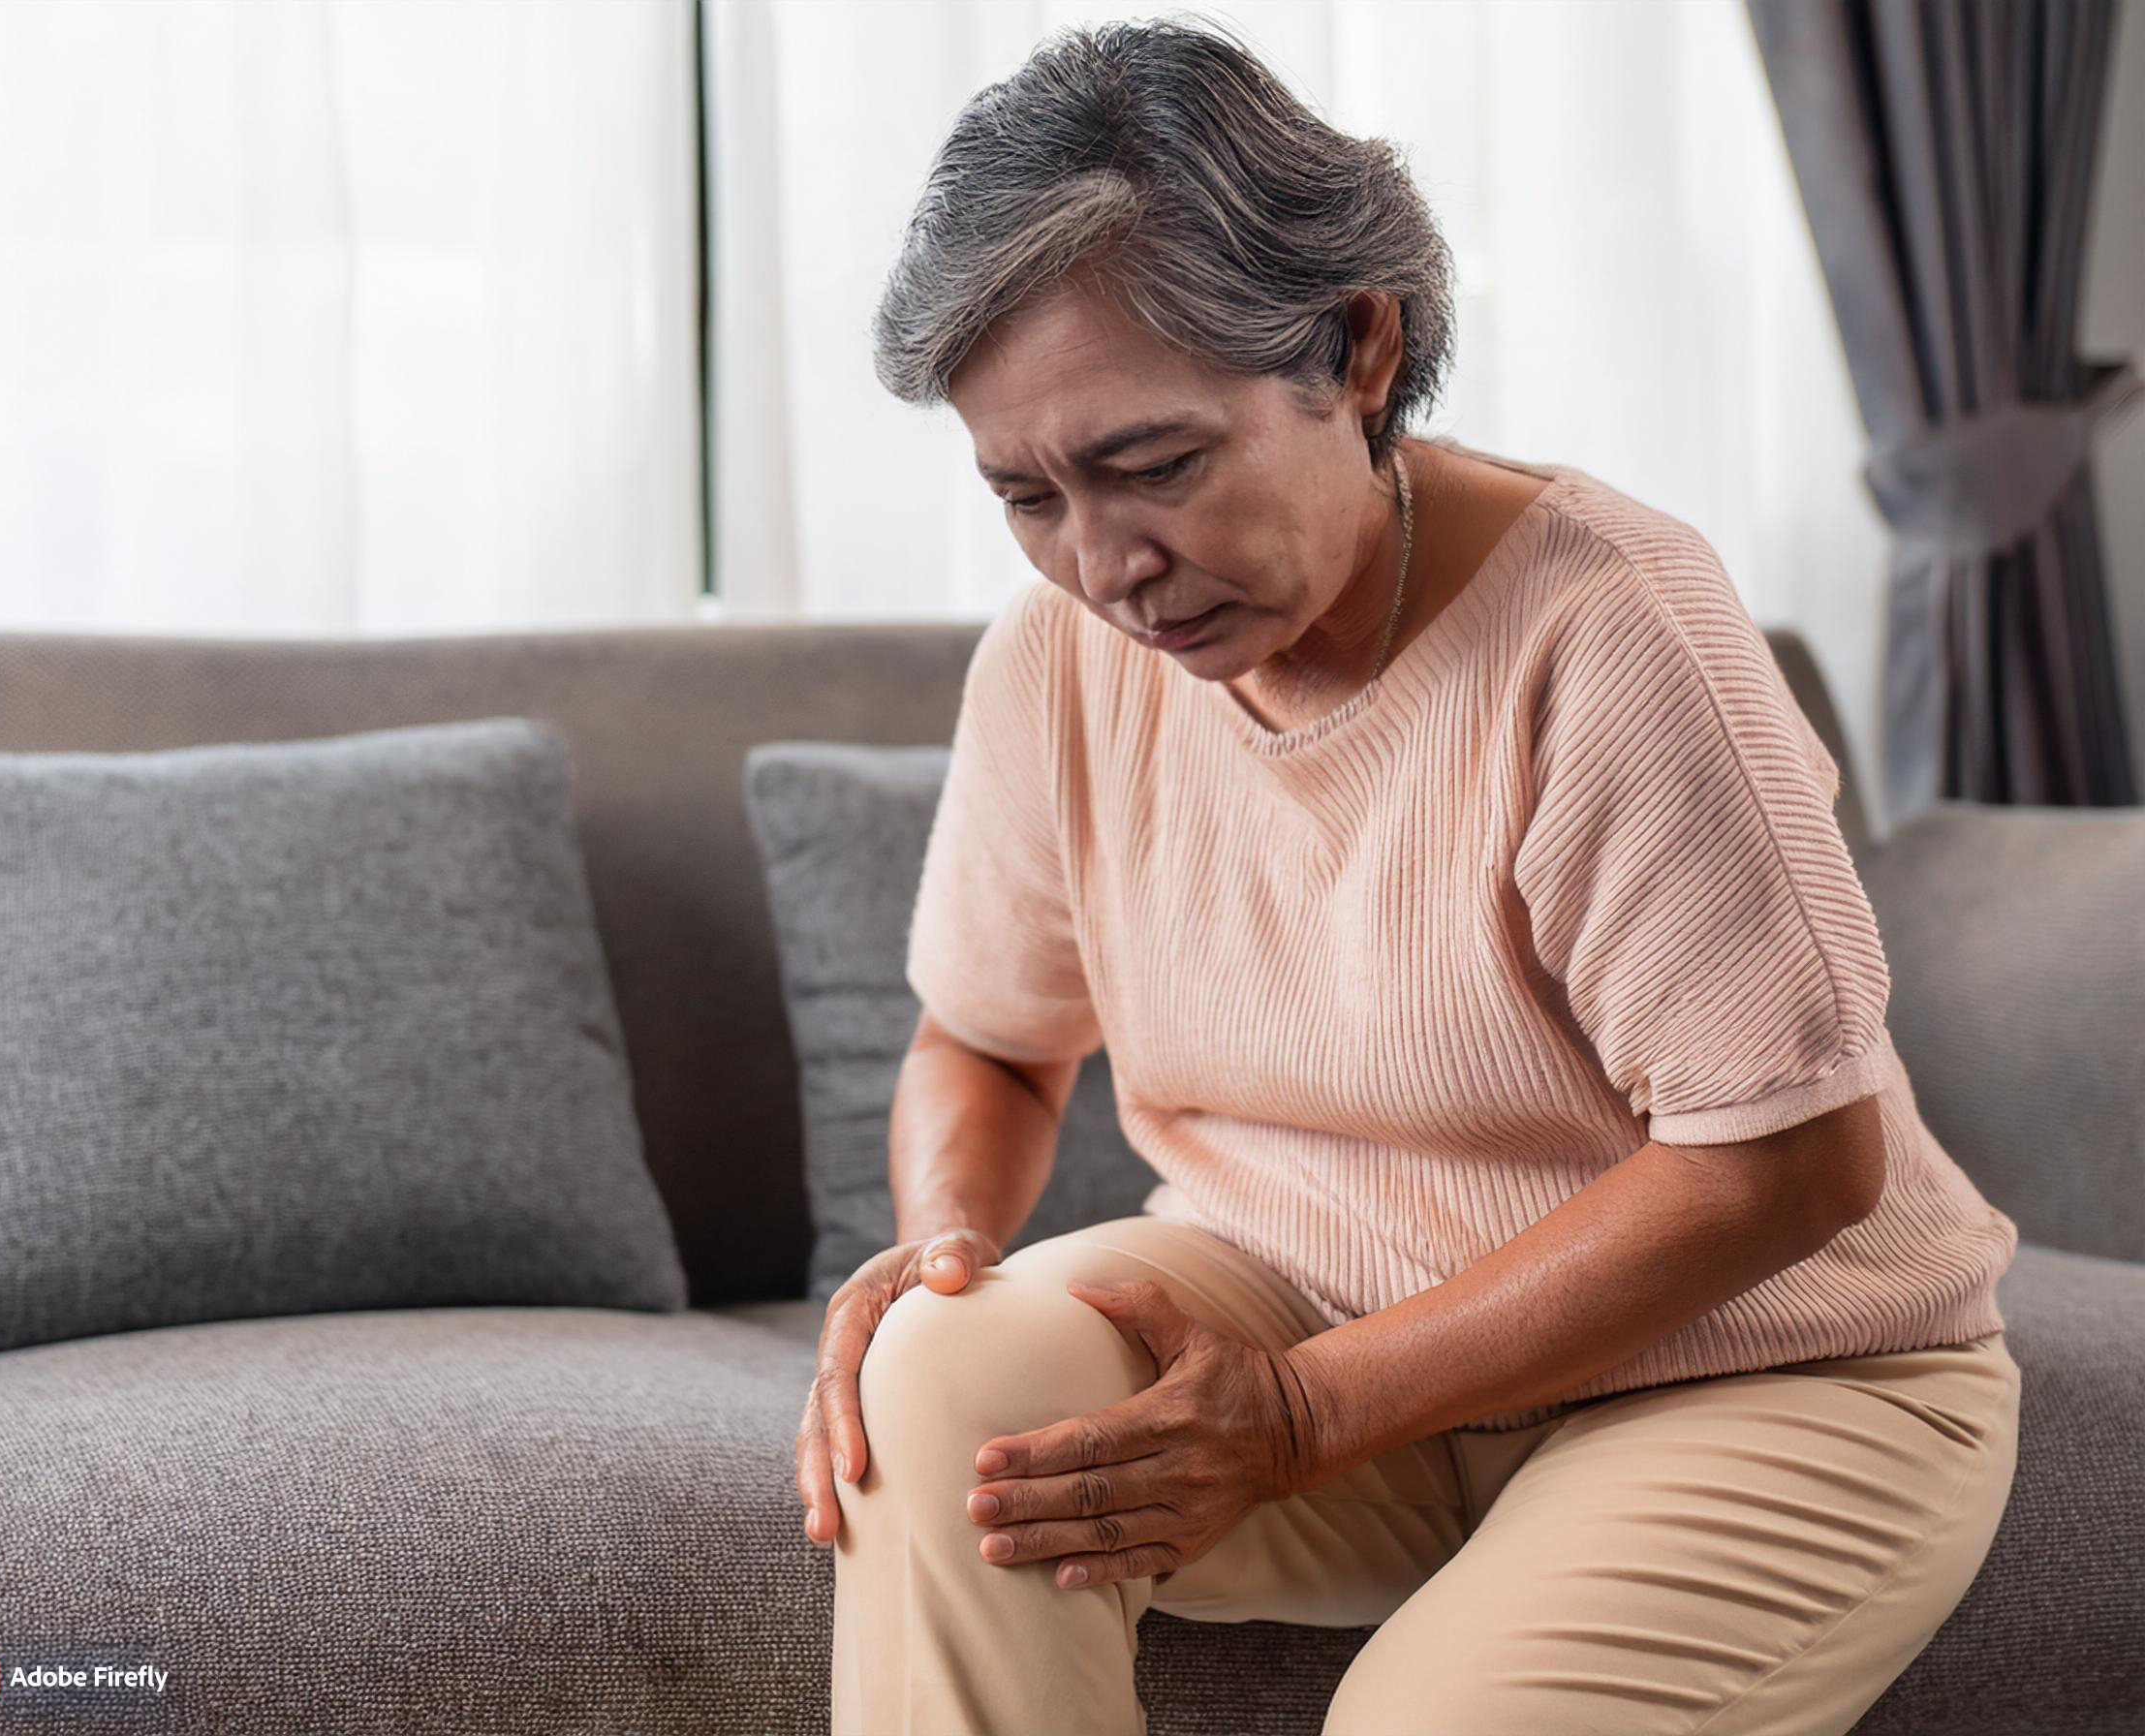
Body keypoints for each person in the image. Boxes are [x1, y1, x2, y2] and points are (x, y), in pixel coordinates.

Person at [799, 16, 2021, 1735]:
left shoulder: (1611, 629)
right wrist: (936, 1249)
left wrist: (1300, 1416)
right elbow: (991, 1045)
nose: (1107, 566)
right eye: (1029, 497)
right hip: (1314, 1313)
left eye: (1155, 468)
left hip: (1764, 1370)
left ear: (1356, 350)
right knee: (946, 1374)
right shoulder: (1057, 664)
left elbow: (1794, 1166)